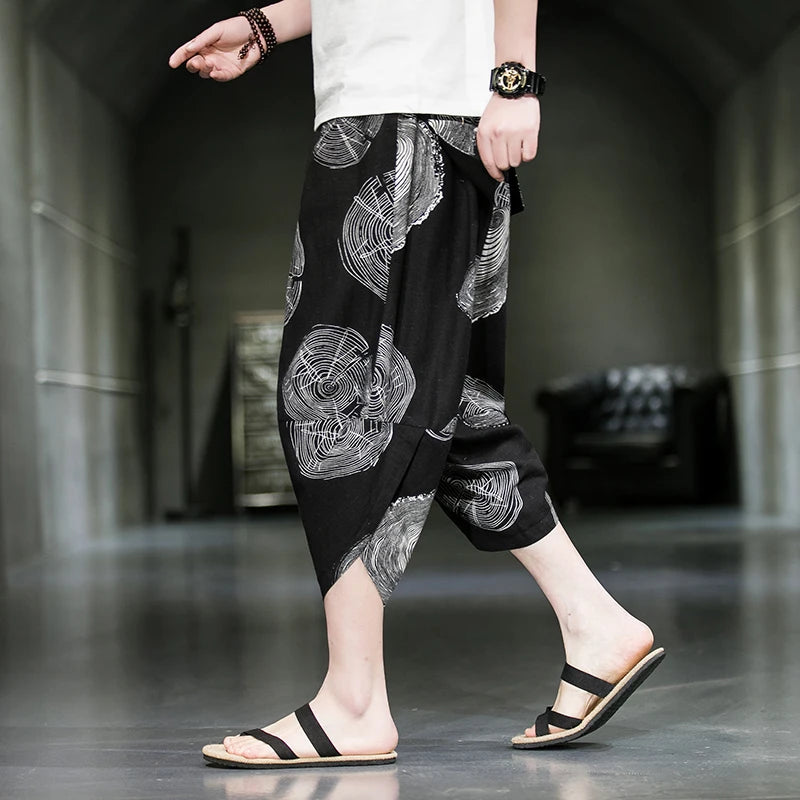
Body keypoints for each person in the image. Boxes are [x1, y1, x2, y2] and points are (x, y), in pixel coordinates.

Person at [168, 0, 664, 770]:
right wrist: (268, 26)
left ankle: (354, 702)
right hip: (407, 112)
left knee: (330, 407)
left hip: (405, 114)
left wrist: (514, 79)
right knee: (447, 407)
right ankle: (594, 623)